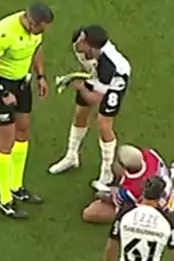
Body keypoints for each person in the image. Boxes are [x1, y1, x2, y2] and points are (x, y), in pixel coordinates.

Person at [0, 2, 54, 219]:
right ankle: (5, 200)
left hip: (21, 82)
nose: (40, 33)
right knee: (7, 139)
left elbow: (36, 49)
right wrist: (2, 92)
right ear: (31, 21)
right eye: (40, 29)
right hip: (0, 84)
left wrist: (40, 76)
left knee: (23, 129)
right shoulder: (4, 32)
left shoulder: (35, 32)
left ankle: (16, 186)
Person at [48, 24, 131, 191]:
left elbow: (97, 98)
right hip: (95, 75)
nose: (78, 43)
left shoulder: (109, 65)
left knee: (103, 123)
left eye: (83, 41)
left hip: (113, 82)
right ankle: (71, 156)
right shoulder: (80, 41)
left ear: (93, 48)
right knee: (80, 113)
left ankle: (107, 173)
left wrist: (80, 87)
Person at [82, 144, 174, 224]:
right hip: (168, 191)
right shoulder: (151, 155)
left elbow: (109, 198)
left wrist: (102, 193)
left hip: (158, 212)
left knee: (89, 213)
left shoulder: (130, 189)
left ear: (124, 167)